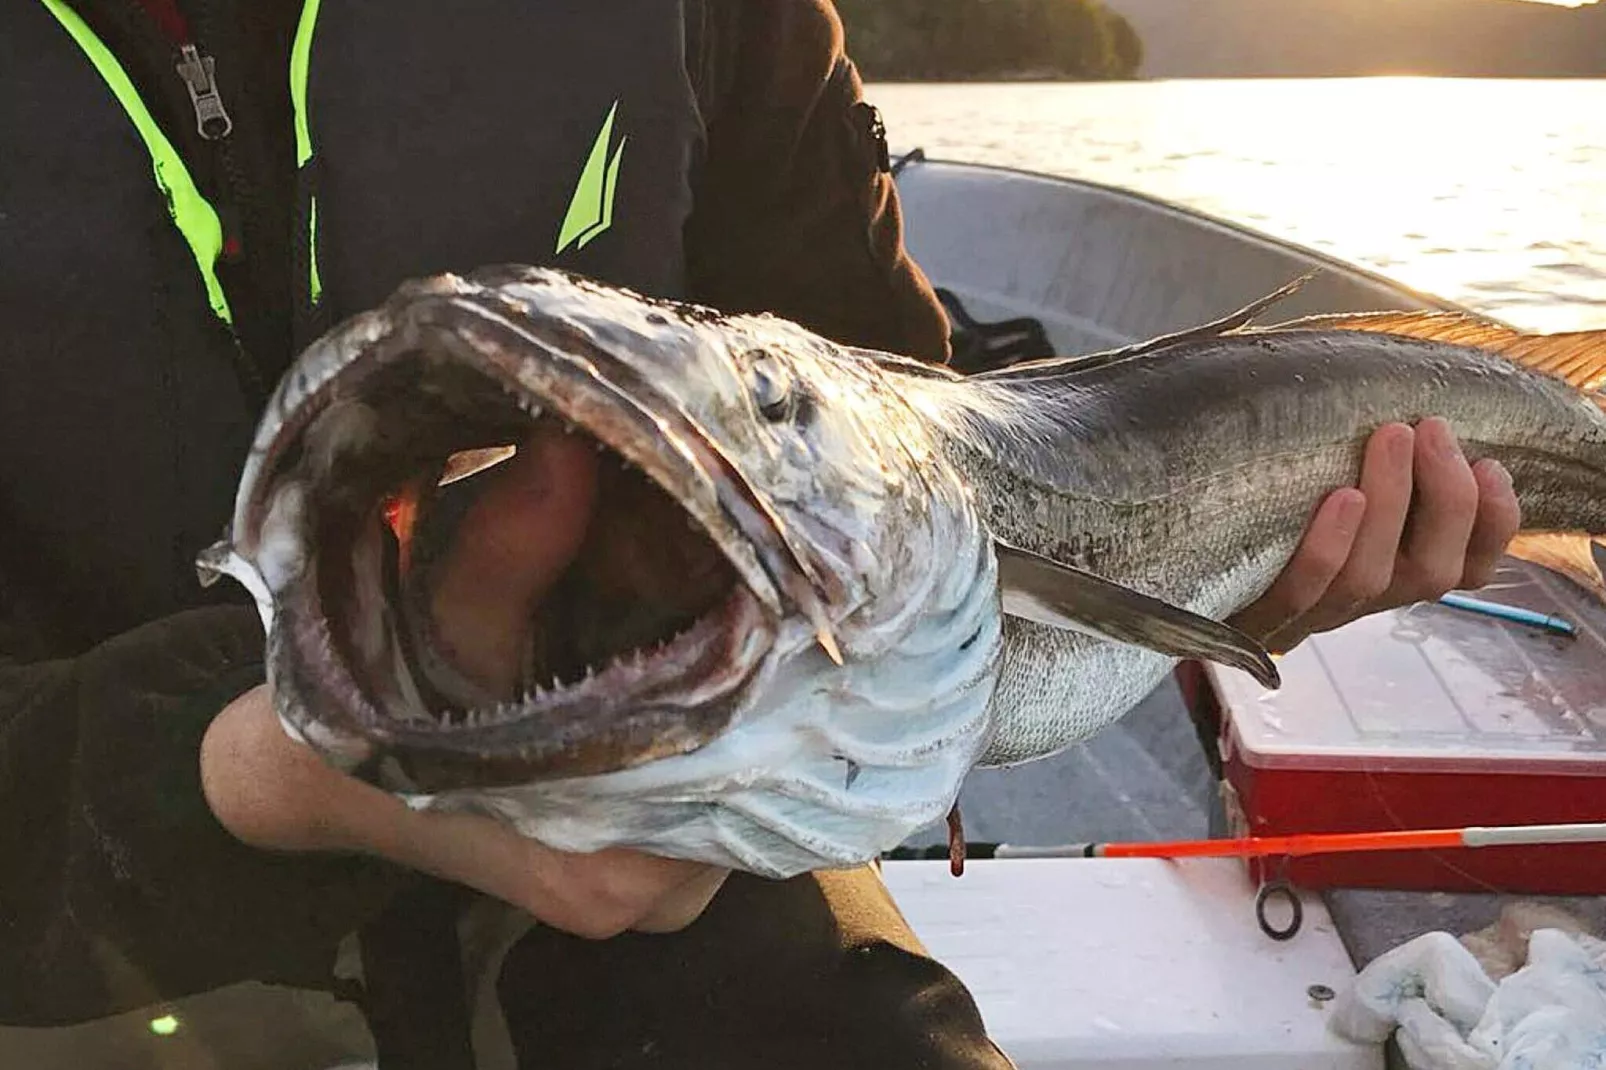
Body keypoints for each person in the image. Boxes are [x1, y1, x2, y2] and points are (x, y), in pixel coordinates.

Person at [1, 0, 1521, 1067]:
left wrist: (1241, 564)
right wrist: (257, 772)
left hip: (701, 850)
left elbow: (885, 393)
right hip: (89, 940)